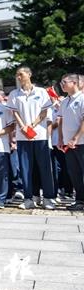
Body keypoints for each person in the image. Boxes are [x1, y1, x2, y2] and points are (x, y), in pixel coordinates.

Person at [6, 66, 55, 209]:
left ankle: (48, 198)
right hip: (23, 137)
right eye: (17, 75)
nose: (18, 77)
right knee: (26, 168)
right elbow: (14, 113)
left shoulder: (41, 92)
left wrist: (31, 126)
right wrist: (23, 126)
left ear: (29, 74)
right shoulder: (14, 94)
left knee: (45, 168)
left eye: (21, 74)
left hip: (40, 135)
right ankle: (29, 198)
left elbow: (44, 112)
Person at [57, 74, 84, 210]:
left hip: (81, 143)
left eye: (64, 82)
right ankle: (79, 200)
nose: (62, 84)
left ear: (74, 83)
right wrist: (61, 138)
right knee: (74, 173)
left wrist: (76, 137)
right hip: (68, 144)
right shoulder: (64, 101)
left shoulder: (82, 98)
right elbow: (61, 120)